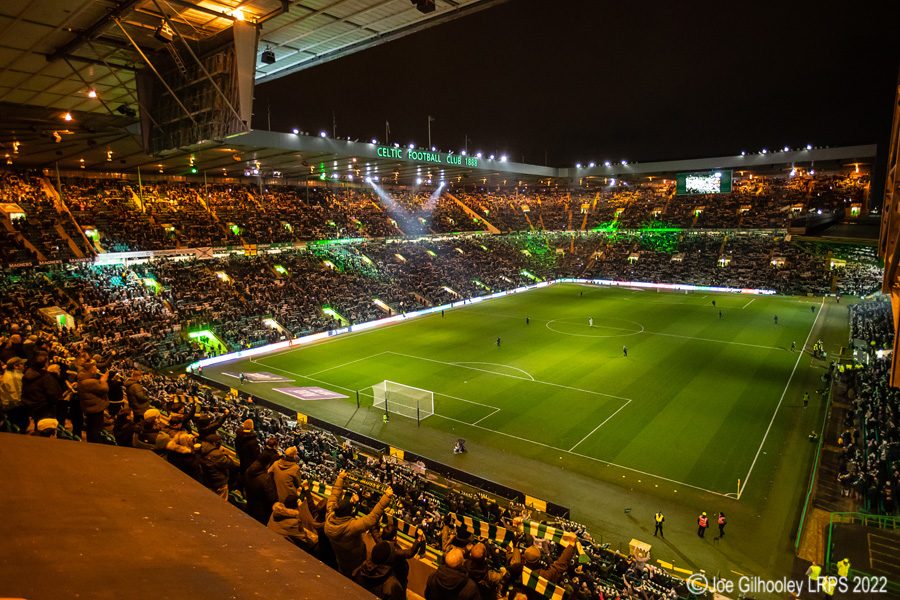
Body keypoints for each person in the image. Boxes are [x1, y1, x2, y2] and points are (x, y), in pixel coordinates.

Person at [325, 471, 394, 576]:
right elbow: (371, 519)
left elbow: (333, 497)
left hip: (341, 560)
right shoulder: (351, 527)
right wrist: (386, 497)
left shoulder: (330, 516)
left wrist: (340, 478)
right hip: (356, 562)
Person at [77, 360, 110, 444]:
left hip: (90, 408)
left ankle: (91, 444)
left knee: (91, 428)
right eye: (95, 368)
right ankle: (97, 447)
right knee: (96, 430)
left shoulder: (82, 378)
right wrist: (103, 381)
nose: (96, 369)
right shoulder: (89, 382)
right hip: (95, 408)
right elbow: (104, 389)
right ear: (91, 370)